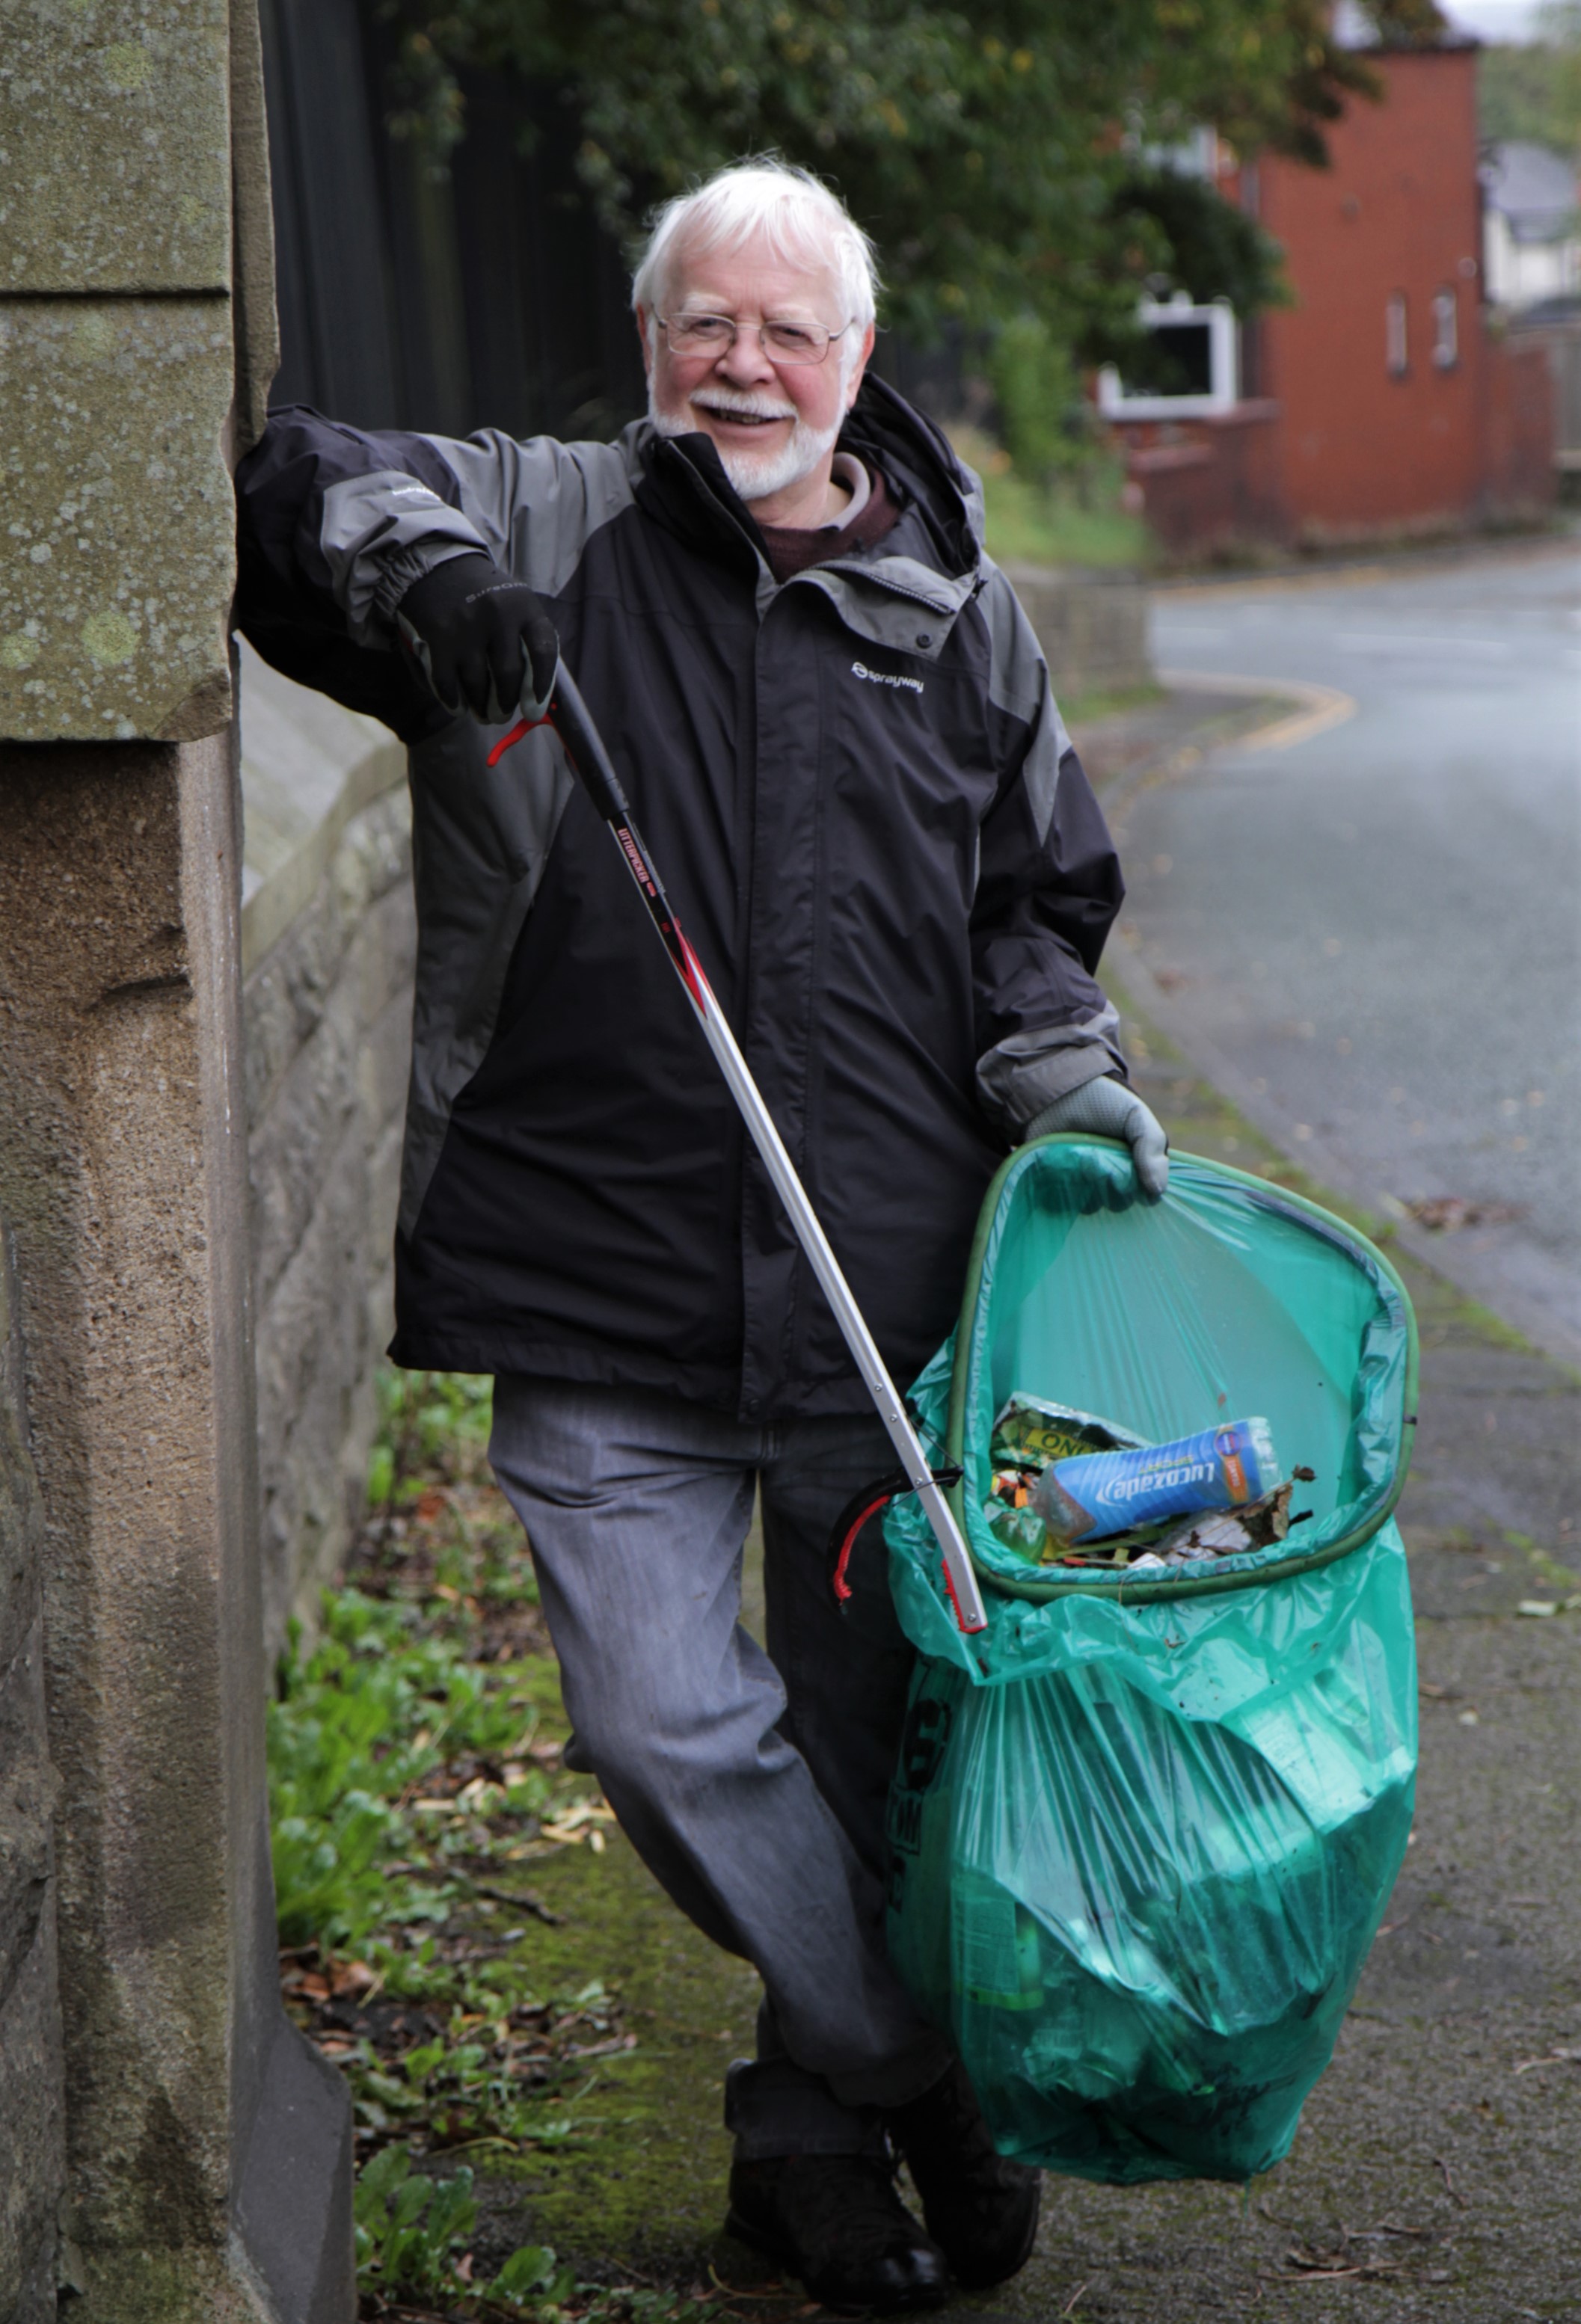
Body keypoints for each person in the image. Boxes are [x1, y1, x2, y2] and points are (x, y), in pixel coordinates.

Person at [234, 158, 1167, 2314]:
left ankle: (802, 2161)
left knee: (867, 1765)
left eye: (786, 329)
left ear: (857, 357)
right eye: (703, 323)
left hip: (883, 1294)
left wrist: (1058, 1065)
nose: (742, 363)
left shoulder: (957, 607)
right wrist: (432, 581)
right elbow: (288, 484)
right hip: (592, 1269)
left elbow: (1038, 899)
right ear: (653, 341)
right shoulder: (547, 516)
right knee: (665, 1729)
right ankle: (912, 2067)